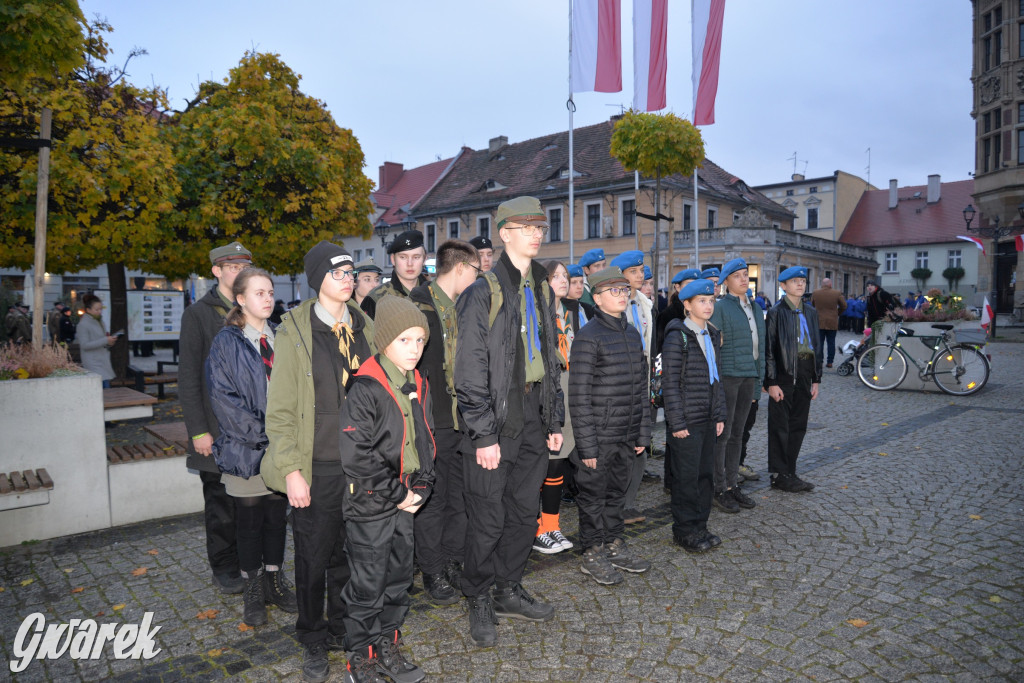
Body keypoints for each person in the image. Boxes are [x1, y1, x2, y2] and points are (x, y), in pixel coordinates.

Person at [261, 241, 375, 682]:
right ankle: (311, 636)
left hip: (360, 463)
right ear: (317, 280)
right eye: (338, 273)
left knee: (350, 555)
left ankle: (341, 627)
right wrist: (292, 471)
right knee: (312, 556)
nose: (347, 280)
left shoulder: (363, 325)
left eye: (350, 273)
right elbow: (282, 410)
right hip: (319, 464)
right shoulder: (296, 331)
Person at [454, 196, 563, 648]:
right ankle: (477, 594)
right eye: (525, 226)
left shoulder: (539, 286)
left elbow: (549, 355)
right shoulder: (483, 292)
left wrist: (554, 416)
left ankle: (507, 588)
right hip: (496, 422)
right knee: (487, 517)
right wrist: (482, 433)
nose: (537, 232)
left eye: (540, 225)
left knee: (523, 514)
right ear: (504, 233)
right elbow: (469, 368)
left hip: (534, 414)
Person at [338, 295, 435, 683]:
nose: (413, 350)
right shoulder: (366, 387)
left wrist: (423, 484)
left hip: (406, 499)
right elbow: (357, 456)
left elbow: (424, 440)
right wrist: (398, 494)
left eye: (419, 341)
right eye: (404, 341)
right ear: (384, 343)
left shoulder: (417, 381)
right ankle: (360, 658)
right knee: (367, 586)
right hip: (371, 503)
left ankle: (387, 646)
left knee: (397, 580)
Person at [205, 268, 297, 628]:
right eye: (259, 293)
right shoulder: (227, 341)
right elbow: (224, 399)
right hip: (248, 448)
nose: (268, 298)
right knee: (249, 520)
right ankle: (253, 588)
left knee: (276, 517)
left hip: (281, 448)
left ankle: (274, 580)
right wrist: (265, 435)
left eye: (270, 292)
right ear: (240, 299)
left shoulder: (281, 337)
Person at [569, 266, 652, 584]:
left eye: (623, 290)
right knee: (592, 496)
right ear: (598, 298)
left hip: (626, 433)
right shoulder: (589, 336)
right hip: (599, 436)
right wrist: (587, 446)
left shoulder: (631, 333)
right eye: (613, 291)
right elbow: (578, 396)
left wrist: (643, 431)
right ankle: (591, 552)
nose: (620, 295)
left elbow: (640, 387)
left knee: (617, 493)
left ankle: (614, 543)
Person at [179, 241, 252, 596]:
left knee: (252, 505)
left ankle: (251, 563)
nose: (239, 272)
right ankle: (224, 567)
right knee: (221, 507)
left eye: (244, 266)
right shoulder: (198, 314)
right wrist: (198, 432)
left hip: (252, 431)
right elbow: (188, 377)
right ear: (217, 271)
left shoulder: (257, 308)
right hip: (217, 430)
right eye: (232, 267)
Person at [408, 240, 480, 604]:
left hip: (462, 419)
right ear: (463, 269)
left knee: (458, 496)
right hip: (431, 418)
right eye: (477, 272)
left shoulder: (465, 306)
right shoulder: (419, 305)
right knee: (431, 500)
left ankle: (452, 561)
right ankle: (432, 571)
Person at [662, 279, 726, 553]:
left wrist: (719, 414)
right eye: (701, 301)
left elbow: (717, 379)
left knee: (704, 476)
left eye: (710, 300)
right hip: (686, 421)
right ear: (687, 305)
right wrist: (676, 422)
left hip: (707, 418)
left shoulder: (711, 334)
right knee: (686, 478)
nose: (708, 305)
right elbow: (670, 384)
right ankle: (684, 530)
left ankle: (701, 525)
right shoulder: (677, 336)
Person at [708, 259, 765, 514]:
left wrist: (758, 383)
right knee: (724, 435)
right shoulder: (720, 307)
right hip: (728, 377)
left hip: (748, 377)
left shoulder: (755, 307)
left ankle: (732, 485)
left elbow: (760, 348)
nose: (744, 279)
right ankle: (718, 488)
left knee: (738, 435)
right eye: (737, 276)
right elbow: (714, 349)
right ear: (726, 281)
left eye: (745, 275)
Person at [532, 260, 579, 556]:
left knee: (560, 458)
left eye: (566, 276)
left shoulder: (574, 310)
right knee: (548, 458)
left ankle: (553, 524)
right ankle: (539, 526)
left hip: (572, 383)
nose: (562, 280)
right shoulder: (537, 312)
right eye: (555, 276)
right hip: (549, 384)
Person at [764, 266, 822, 493]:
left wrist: (816, 378)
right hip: (784, 375)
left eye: (803, 281)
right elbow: (769, 349)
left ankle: (791, 470)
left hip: (805, 373)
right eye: (795, 280)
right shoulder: (777, 312)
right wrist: (771, 381)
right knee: (780, 427)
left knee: (798, 425)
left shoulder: (811, 312)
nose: (800, 284)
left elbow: (816, 346)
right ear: (783, 285)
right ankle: (780, 474)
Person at [610, 250, 653, 526]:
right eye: (634, 272)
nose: (640, 276)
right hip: (620, 386)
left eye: (641, 271)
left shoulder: (645, 304)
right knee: (621, 448)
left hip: (642, 382)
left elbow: (650, 346)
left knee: (641, 444)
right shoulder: (614, 304)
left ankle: (629, 502)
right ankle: (616, 503)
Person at [361, 230, 428, 319]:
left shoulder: (434, 294)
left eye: (416, 257)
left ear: (424, 259)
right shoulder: (376, 298)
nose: (410, 263)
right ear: (393, 259)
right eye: (403, 257)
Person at [77, 295, 117, 388]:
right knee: (102, 389)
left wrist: (109, 342)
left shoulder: (99, 321)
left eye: (100, 309)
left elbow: (100, 341)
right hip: (93, 362)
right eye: (96, 309)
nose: (99, 312)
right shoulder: (83, 324)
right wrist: (105, 340)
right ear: (88, 310)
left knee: (106, 390)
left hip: (102, 360)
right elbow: (84, 345)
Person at [810, 277, 847, 368]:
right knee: (831, 342)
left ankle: (820, 361)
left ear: (822, 284)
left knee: (819, 343)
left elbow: (813, 304)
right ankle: (830, 361)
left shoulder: (815, 293)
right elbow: (844, 306)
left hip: (819, 321)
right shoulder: (836, 293)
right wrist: (837, 313)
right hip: (832, 321)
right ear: (830, 284)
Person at [865, 279, 900, 344]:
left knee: (883, 339)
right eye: (867, 286)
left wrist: (891, 310)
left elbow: (893, 304)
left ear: (875, 286)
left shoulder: (882, 294)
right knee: (868, 337)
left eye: (871, 285)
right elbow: (870, 312)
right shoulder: (869, 298)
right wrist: (870, 325)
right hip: (876, 322)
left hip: (886, 321)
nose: (869, 287)